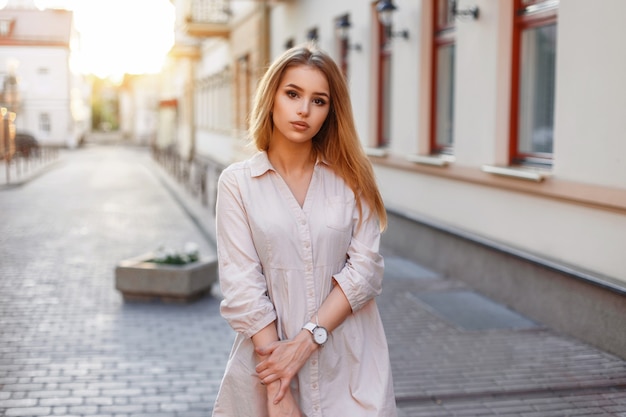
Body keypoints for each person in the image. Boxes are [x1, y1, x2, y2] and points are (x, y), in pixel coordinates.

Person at [211, 43, 397, 417]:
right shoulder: (238, 184)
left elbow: (365, 271)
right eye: (293, 94)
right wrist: (279, 389)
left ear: (331, 111)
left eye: (319, 101)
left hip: (351, 365)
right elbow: (242, 287)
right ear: (272, 97)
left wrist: (305, 343)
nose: (303, 110)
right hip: (268, 367)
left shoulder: (351, 178)